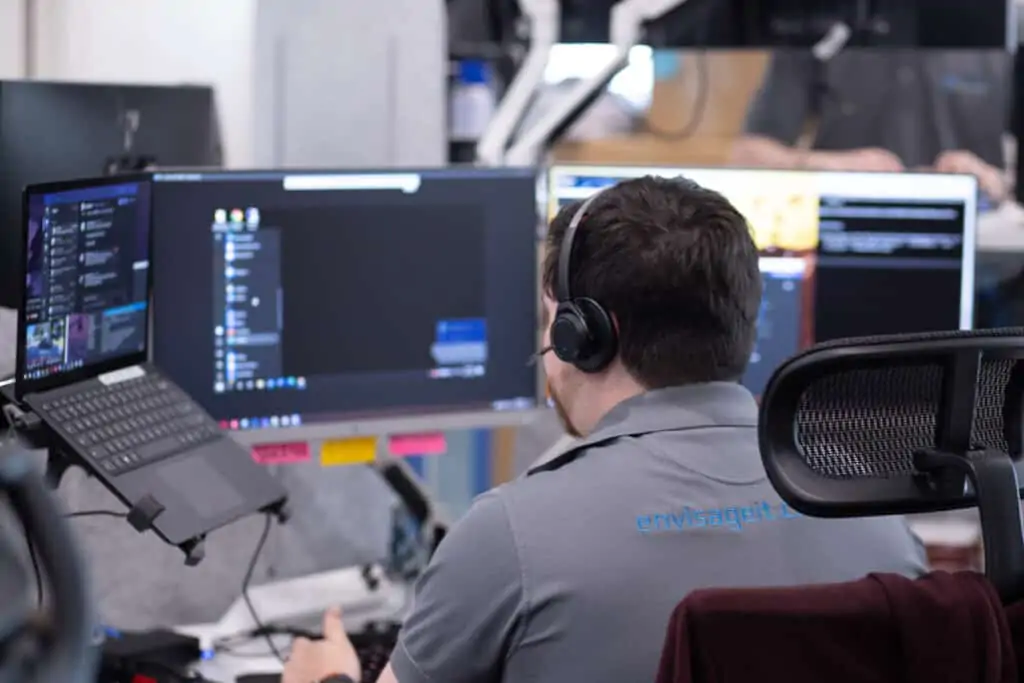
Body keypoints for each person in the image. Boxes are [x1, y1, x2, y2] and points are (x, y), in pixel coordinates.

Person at [283, 176, 928, 683]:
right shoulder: (872, 512)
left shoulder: (512, 536)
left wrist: (332, 677)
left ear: (581, 336)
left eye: (551, 319)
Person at [731, 50, 1011, 202]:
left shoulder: (1003, 31)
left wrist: (993, 181)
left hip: (980, 249)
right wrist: (831, 167)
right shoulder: (820, 27)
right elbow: (747, 155)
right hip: (847, 231)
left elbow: (1008, 183)